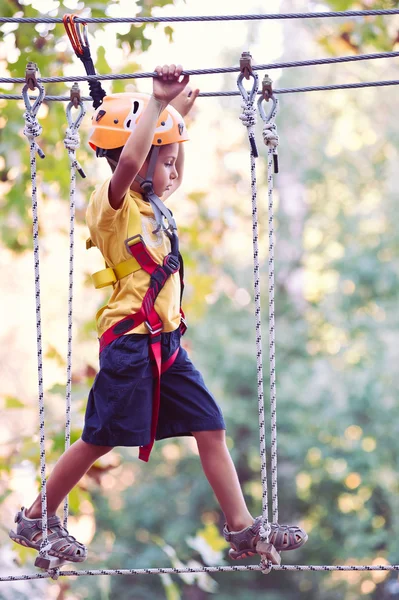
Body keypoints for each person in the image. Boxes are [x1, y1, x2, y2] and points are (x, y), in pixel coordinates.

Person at [9, 64, 307, 564]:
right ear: (141, 161)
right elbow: (129, 160)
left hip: (166, 344)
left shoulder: (153, 208)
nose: (174, 173)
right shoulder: (113, 205)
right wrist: (155, 103)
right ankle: (37, 515)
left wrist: (174, 115)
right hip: (129, 345)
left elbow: (157, 162)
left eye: (172, 162)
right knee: (99, 439)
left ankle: (240, 528)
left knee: (209, 426)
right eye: (165, 162)